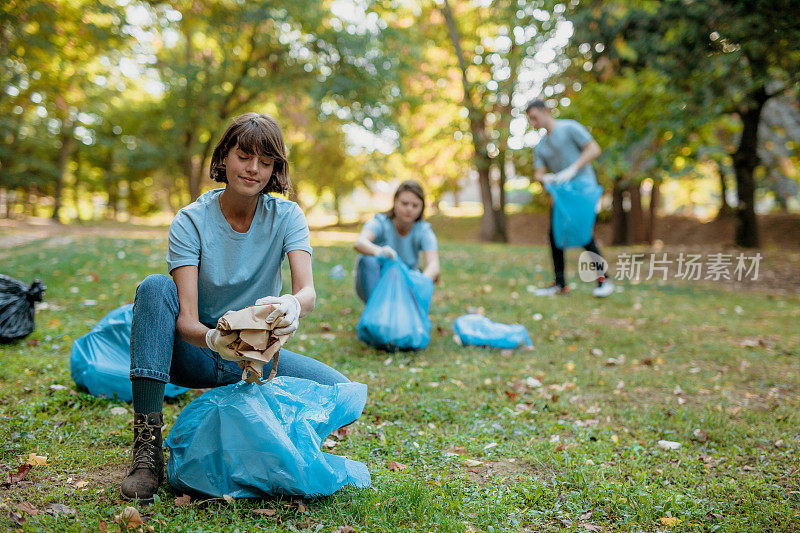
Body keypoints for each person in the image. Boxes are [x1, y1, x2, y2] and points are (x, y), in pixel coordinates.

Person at [121, 113, 349, 503]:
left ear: (275, 168)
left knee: (340, 391)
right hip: (194, 351)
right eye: (244, 156)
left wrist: (293, 303)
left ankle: (257, 428)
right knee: (155, 287)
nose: (254, 169)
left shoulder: (288, 216)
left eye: (265, 161)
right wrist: (213, 338)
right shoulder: (191, 220)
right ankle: (147, 452)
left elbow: (307, 290)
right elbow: (187, 322)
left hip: (254, 360)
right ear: (225, 156)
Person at [525, 99, 614, 297]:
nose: (533, 123)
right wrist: (546, 178)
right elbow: (538, 173)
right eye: (530, 120)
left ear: (545, 111)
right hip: (562, 193)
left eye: (534, 118)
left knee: (584, 234)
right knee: (555, 234)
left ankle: (604, 280)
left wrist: (573, 169)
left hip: (582, 188)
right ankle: (560, 284)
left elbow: (594, 149)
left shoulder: (570, 128)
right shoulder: (541, 146)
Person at [353, 180, 440, 303]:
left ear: (422, 208)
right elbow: (359, 242)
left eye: (415, 205)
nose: (409, 209)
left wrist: (421, 280)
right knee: (366, 260)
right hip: (378, 282)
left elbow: (434, 265)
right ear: (395, 202)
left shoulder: (423, 230)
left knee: (423, 276)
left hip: (406, 284)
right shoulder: (380, 222)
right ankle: (376, 311)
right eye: (404, 203)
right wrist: (380, 251)